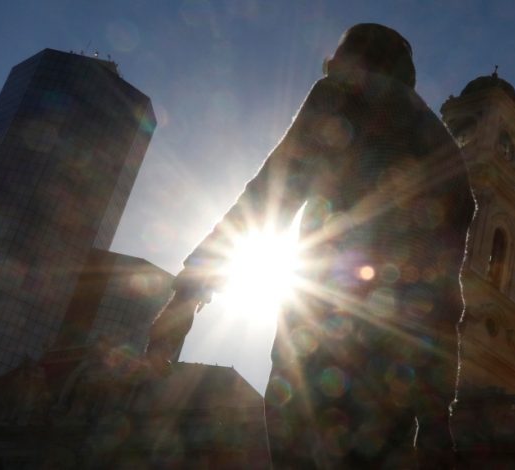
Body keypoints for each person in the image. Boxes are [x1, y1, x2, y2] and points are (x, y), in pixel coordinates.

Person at [148, 23, 474, 468]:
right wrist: (436, 420)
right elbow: (443, 301)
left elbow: (270, 194)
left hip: (320, 336)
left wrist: (191, 289)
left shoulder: (345, 94)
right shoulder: (448, 155)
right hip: (398, 369)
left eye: (338, 59)